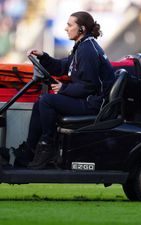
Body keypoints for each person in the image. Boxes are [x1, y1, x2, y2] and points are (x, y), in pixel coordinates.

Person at [1, 11, 115, 169]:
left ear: (81, 29)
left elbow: (89, 86)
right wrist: (44, 57)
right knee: (41, 101)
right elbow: (62, 67)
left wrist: (64, 88)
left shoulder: (87, 50)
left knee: (47, 101)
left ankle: (48, 146)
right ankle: (30, 150)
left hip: (94, 104)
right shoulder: (82, 46)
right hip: (87, 99)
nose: (65, 28)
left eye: (69, 25)